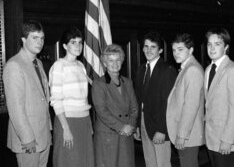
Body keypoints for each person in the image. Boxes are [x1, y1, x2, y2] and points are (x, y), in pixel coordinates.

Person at [3, 20, 52, 167]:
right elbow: (16, 109)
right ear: (23, 39)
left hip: (43, 135)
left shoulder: (39, 63)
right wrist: (27, 138)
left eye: (42, 38)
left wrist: (48, 130)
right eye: (34, 38)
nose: (40, 42)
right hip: (28, 139)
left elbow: (43, 100)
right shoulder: (14, 65)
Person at [49, 27, 94, 167]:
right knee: (69, 161)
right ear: (64, 46)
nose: (78, 46)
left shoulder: (81, 65)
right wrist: (66, 129)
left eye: (80, 42)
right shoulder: (58, 66)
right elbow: (56, 101)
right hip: (67, 121)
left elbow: (85, 97)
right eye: (73, 42)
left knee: (84, 161)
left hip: (84, 120)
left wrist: (89, 124)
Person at [204, 28, 234, 167]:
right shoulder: (208, 70)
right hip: (211, 138)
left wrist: (228, 139)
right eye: (209, 44)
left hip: (225, 139)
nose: (212, 48)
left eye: (217, 44)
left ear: (226, 47)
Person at [92, 44, 138, 167]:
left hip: (126, 134)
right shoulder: (98, 84)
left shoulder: (127, 82)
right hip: (108, 135)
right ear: (105, 63)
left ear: (122, 61)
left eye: (118, 60)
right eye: (110, 60)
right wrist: (122, 127)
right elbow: (102, 112)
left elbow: (134, 108)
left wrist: (131, 126)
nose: (115, 63)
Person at [134, 31, 177, 167]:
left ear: (160, 50)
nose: (148, 50)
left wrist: (162, 129)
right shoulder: (141, 69)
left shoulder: (167, 70)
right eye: (146, 46)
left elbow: (169, 104)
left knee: (162, 163)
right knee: (150, 162)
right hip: (143, 122)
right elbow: (138, 100)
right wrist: (137, 125)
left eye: (153, 47)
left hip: (159, 126)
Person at [166, 33, 204, 167]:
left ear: (191, 50)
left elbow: (191, 106)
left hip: (188, 134)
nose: (176, 53)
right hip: (187, 132)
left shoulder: (192, 70)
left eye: (180, 49)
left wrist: (182, 135)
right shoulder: (187, 67)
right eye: (174, 50)